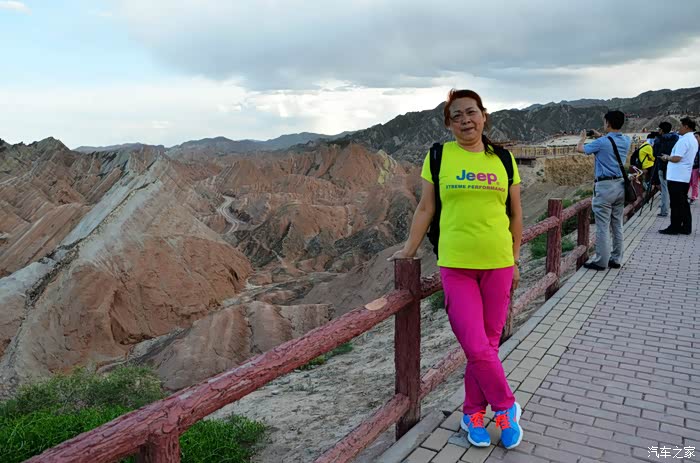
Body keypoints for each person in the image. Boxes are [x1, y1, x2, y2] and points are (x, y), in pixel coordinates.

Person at [388, 89, 523, 449]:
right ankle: (506, 407)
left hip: (498, 263)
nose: (466, 120)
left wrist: (514, 259)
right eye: (457, 115)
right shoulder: (439, 157)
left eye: (471, 112)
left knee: (486, 347)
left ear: (484, 116)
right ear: (449, 124)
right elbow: (426, 208)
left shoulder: (503, 159)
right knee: (477, 346)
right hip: (456, 265)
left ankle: (472, 414)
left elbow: (515, 215)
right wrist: (408, 250)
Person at [576, 110, 630, 270]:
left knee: (602, 226)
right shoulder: (626, 140)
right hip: (620, 185)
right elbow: (609, 142)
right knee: (617, 224)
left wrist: (582, 138)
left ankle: (601, 261)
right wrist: (600, 135)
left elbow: (580, 149)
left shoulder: (602, 142)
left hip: (605, 187)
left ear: (608, 123)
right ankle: (616, 259)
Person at [659, 118, 699, 235]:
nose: (678, 129)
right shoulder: (693, 139)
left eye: (680, 126)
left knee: (676, 203)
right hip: (684, 175)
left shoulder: (684, 140)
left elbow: (677, 158)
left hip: (677, 176)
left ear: (686, 127)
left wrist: (667, 157)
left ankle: (674, 227)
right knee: (683, 203)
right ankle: (686, 227)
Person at [653, 122, 679, 217]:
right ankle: (674, 207)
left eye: (659, 129)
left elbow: (655, 154)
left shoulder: (659, 140)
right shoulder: (676, 138)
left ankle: (664, 210)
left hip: (662, 166)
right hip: (673, 166)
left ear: (662, 130)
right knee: (673, 188)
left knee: (664, 189)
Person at [689, 132, 700, 203]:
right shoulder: (692, 145)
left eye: (697, 137)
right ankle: (694, 194)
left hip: (696, 167)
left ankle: (693, 197)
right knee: (689, 182)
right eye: (694, 137)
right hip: (690, 166)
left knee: (694, 183)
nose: (695, 138)